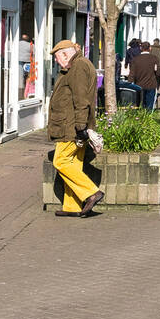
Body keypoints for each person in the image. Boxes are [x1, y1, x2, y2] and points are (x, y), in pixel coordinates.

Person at [48, 40, 104, 218]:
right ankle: (72, 206)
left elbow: (81, 99)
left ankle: (91, 193)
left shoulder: (78, 67)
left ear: (65, 54)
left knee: (61, 161)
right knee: (74, 164)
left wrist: (80, 127)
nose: (57, 61)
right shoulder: (80, 64)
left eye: (57, 57)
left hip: (71, 126)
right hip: (75, 124)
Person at [128, 41, 160, 110]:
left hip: (138, 85)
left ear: (140, 48)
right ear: (150, 48)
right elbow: (158, 73)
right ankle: (148, 118)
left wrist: (129, 84)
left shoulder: (135, 59)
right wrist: (157, 84)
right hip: (151, 85)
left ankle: (141, 118)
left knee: (140, 104)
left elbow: (132, 74)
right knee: (150, 105)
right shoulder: (154, 58)